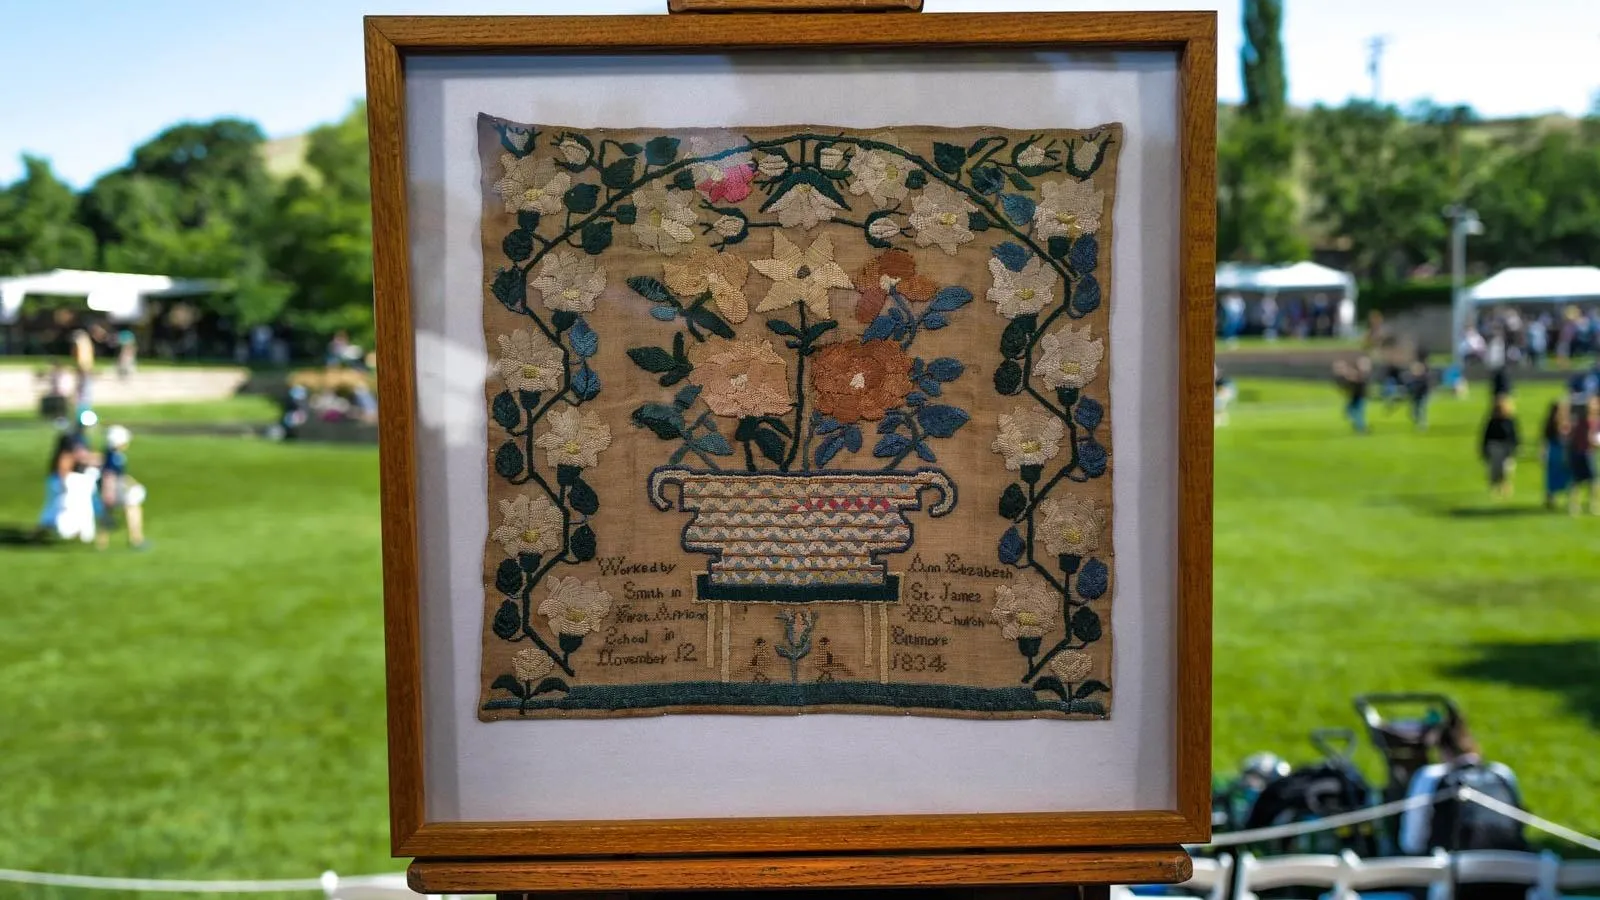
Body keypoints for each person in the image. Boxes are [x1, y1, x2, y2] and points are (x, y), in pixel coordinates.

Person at [1399, 716, 1526, 895]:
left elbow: (1411, 842)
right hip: (1513, 882)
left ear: (1441, 748)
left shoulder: (1431, 776)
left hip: (1453, 885)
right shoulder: (1503, 774)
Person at [96, 425, 147, 550]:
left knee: (107, 515)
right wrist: (108, 493)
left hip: (112, 487)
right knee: (132, 506)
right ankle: (136, 538)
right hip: (113, 488)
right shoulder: (114, 457)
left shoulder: (111, 454)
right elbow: (110, 476)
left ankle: (102, 543)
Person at [1480, 396, 1520, 499]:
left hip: (1506, 447)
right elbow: (1486, 436)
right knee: (1495, 469)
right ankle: (1495, 487)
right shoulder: (1492, 421)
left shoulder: (1510, 421)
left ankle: (1504, 486)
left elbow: (1514, 435)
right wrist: (1484, 449)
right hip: (1495, 447)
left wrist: (1515, 447)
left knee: (1505, 469)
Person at [1569, 396, 1599, 515]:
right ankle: (1574, 505)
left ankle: (1593, 504)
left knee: (1594, 481)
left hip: (1589, 453)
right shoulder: (1579, 421)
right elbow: (1573, 438)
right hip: (1578, 453)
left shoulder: (1596, 421)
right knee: (1576, 481)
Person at [1543, 401, 1573, 511]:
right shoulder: (1551, 424)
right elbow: (1546, 439)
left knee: (1568, 475)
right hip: (1555, 451)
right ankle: (1550, 497)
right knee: (1552, 476)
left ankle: (1570, 499)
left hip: (1563, 450)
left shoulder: (1568, 421)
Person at [1333, 358, 1372, 434]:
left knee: (1358, 413)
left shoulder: (1353, 373)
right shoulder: (1341, 378)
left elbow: (1358, 382)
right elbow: (1344, 388)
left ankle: (1362, 428)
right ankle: (1360, 426)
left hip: (1360, 396)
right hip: (1353, 397)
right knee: (1350, 412)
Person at [1406, 362, 1433, 430]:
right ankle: (1417, 420)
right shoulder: (1411, 379)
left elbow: (1426, 389)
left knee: (1421, 409)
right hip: (1414, 397)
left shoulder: (1424, 379)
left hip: (1422, 396)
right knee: (1414, 411)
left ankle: (1422, 424)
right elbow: (1409, 388)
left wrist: (1425, 394)